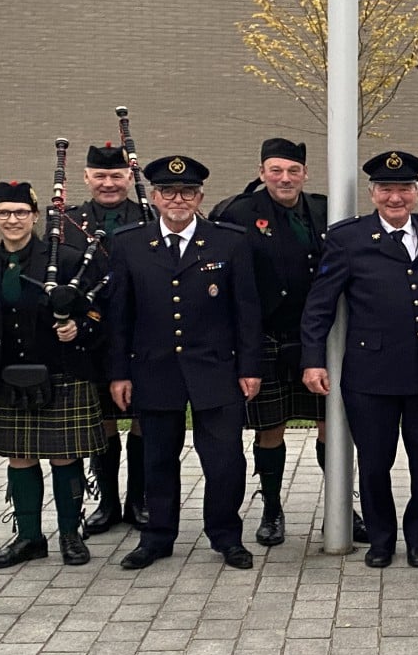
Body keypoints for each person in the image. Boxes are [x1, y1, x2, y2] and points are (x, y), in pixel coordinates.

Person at [302, 151, 418, 569]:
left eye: (404, 188)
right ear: (372, 193)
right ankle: (382, 540)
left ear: (417, 193)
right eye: (386, 189)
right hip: (371, 376)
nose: (395, 197)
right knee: (374, 465)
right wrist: (313, 359)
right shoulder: (348, 239)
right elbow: (320, 305)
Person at [100, 155, 263, 570]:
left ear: (199, 196)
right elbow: (120, 316)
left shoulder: (230, 241)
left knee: (225, 461)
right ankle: (156, 537)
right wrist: (119, 372)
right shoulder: (129, 243)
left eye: (187, 192)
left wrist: (250, 367)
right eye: (169, 192)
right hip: (154, 370)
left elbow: (247, 312)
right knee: (156, 459)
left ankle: (226, 536)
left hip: (216, 369)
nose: (178, 199)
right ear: (154, 197)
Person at [210, 137, 365, 546]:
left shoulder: (324, 208)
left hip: (320, 339)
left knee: (330, 424)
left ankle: (340, 507)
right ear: (262, 172)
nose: (285, 178)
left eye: (293, 170)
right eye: (275, 170)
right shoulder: (238, 213)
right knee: (270, 428)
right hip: (266, 338)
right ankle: (272, 508)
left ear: (305, 173)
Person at [0, 182, 104, 571]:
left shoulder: (68, 260)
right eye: (4, 212)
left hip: (61, 373)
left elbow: (98, 311)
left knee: (64, 456)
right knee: (19, 457)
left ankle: (71, 535)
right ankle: (28, 537)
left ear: (35, 217)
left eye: (21, 212)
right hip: (6, 377)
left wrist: (77, 328)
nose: (12, 220)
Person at [64, 142, 156, 536]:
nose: (108, 183)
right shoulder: (66, 223)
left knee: (142, 417)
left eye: (116, 176)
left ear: (128, 177)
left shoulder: (148, 217)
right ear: (86, 178)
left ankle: (140, 500)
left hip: (144, 331)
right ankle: (108, 502)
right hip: (92, 335)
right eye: (99, 176)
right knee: (101, 420)